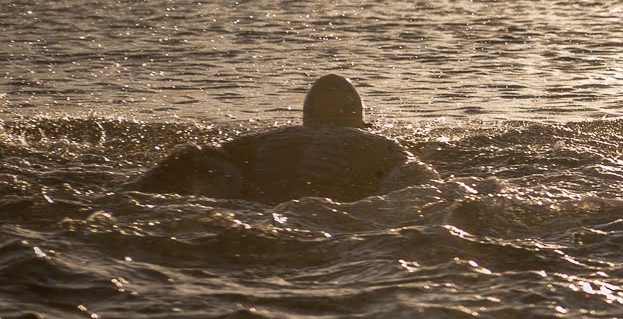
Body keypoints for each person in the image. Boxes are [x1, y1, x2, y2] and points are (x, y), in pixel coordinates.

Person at [129, 74, 439, 202]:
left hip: (261, 204)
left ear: (306, 118)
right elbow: (416, 177)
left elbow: (199, 154)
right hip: (338, 210)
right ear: (359, 120)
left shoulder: (268, 139)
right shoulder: (378, 146)